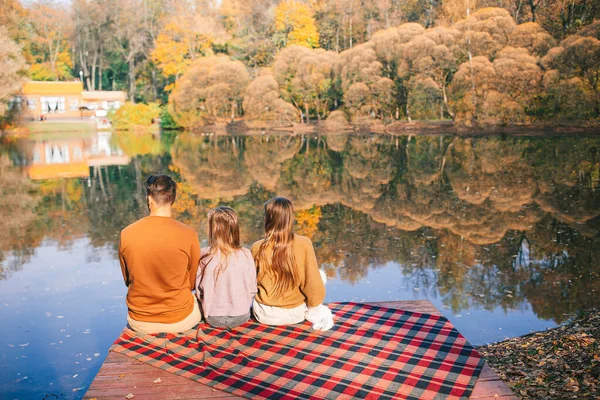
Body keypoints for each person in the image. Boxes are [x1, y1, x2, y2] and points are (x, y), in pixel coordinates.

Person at [119, 175, 201, 334]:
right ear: (172, 200)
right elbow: (192, 282)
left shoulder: (126, 234)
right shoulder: (189, 234)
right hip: (180, 319)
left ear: (149, 199)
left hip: (140, 321)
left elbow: (128, 279)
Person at [251, 197, 333, 331]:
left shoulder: (257, 247)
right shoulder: (304, 243)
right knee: (319, 275)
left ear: (267, 219)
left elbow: (251, 283)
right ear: (290, 218)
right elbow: (313, 286)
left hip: (263, 314)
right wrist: (315, 305)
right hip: (295, 314)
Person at [195, 207, 257, 329]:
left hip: (213, 318)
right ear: (235, 228)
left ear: (213, 229)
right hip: (241, 316)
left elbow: (199, 290)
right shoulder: (245, 253)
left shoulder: (204, 254)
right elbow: (252, 289)